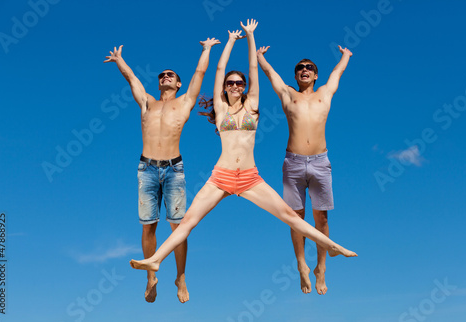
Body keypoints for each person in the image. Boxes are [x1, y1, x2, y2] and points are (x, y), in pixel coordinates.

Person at [129, 20, 356, 291]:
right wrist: (228, 43)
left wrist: (250, 37)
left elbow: (252, 68)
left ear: (245, 87)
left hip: (249, 177)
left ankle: (331, 245)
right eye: (230, 83)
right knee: (187, 220)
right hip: (221, 176)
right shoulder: (221, 109)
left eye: (239, 83)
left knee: (289, 216)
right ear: (224, 88)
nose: (235, 85)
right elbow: (219, 69)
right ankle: (155, 260)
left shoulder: (253, 105)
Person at [104, 37, 220, 303]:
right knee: (148, 227)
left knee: (178, 227)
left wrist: (206, 50)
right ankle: (150, 276)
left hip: (173, 170)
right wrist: (120, 60)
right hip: (146, 168)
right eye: (162, 75)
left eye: (171, 75)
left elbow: (200, 74)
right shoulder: (147, 103)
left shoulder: (185, 102)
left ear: (178, 83)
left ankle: (180, 277)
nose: (165, 76)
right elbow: (132, 79)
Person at [256, 44, 353, 295]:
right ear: (296, 75)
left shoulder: (325, 93)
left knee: (321, 218)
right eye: (300, 68)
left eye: (309, 67)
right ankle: (301, 264)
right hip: (294, 163)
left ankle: (321, 268)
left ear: (316, 74)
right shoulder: (288, 94)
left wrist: (345, 56)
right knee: (295, 218)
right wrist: (259, 58)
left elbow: (337, 74)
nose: (304, 70)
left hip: (321, 162)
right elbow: (271, 76)